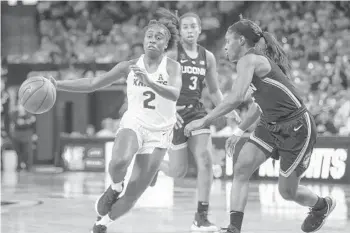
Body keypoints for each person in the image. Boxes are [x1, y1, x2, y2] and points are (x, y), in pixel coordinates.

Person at [184, 17, 336, 233]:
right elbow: (258, 105)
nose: (225, 46)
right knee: (242, 167)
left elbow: (236, 97)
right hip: (269, 123)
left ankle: (322, 206)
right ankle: (234, 229)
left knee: (287, 192)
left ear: (242, 41)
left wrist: (204, 120)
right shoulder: (252, 63)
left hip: (297, 127)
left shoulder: (250, 60)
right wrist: (239, 131)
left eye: (228, 41)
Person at [50, 8, 182, 233]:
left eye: (158, 37)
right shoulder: (128, 66)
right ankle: (114, 186)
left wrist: (150, 82)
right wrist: (59, 84)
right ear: (143, 40)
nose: (152, 40)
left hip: (160, 133)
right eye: (149, 35)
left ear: (166, 44)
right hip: (135, 123)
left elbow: (174, 94)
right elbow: (93, 83)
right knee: (119, 162)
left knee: (134, 193)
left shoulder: (172, 67)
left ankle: (103, 223)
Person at [151, 11, 240, 232]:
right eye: (186, 27)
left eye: (193, 26)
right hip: (174, 115)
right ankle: (154, 166)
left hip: (197, 114)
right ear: (180, 32)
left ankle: (201, 217)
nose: (190, 30)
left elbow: (214, 90)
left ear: (199, 30)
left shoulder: (207, 57)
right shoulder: (171, 54)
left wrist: (228, 109)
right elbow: (157, 85)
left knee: (206, 160)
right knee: (178, 171)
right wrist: (168, 110)